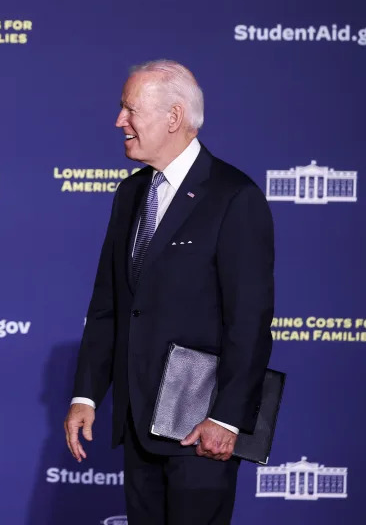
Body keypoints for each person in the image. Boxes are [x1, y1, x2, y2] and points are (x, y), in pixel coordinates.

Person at [63, 60, 274, 525]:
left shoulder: (234, 197)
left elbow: (250, 321)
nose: (120, 122)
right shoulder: (131, 194)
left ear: (173, 118)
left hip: (201, 428)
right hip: (139, 425)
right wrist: (87, 396)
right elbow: (109, 307)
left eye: (130, 110)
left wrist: (226, 418)